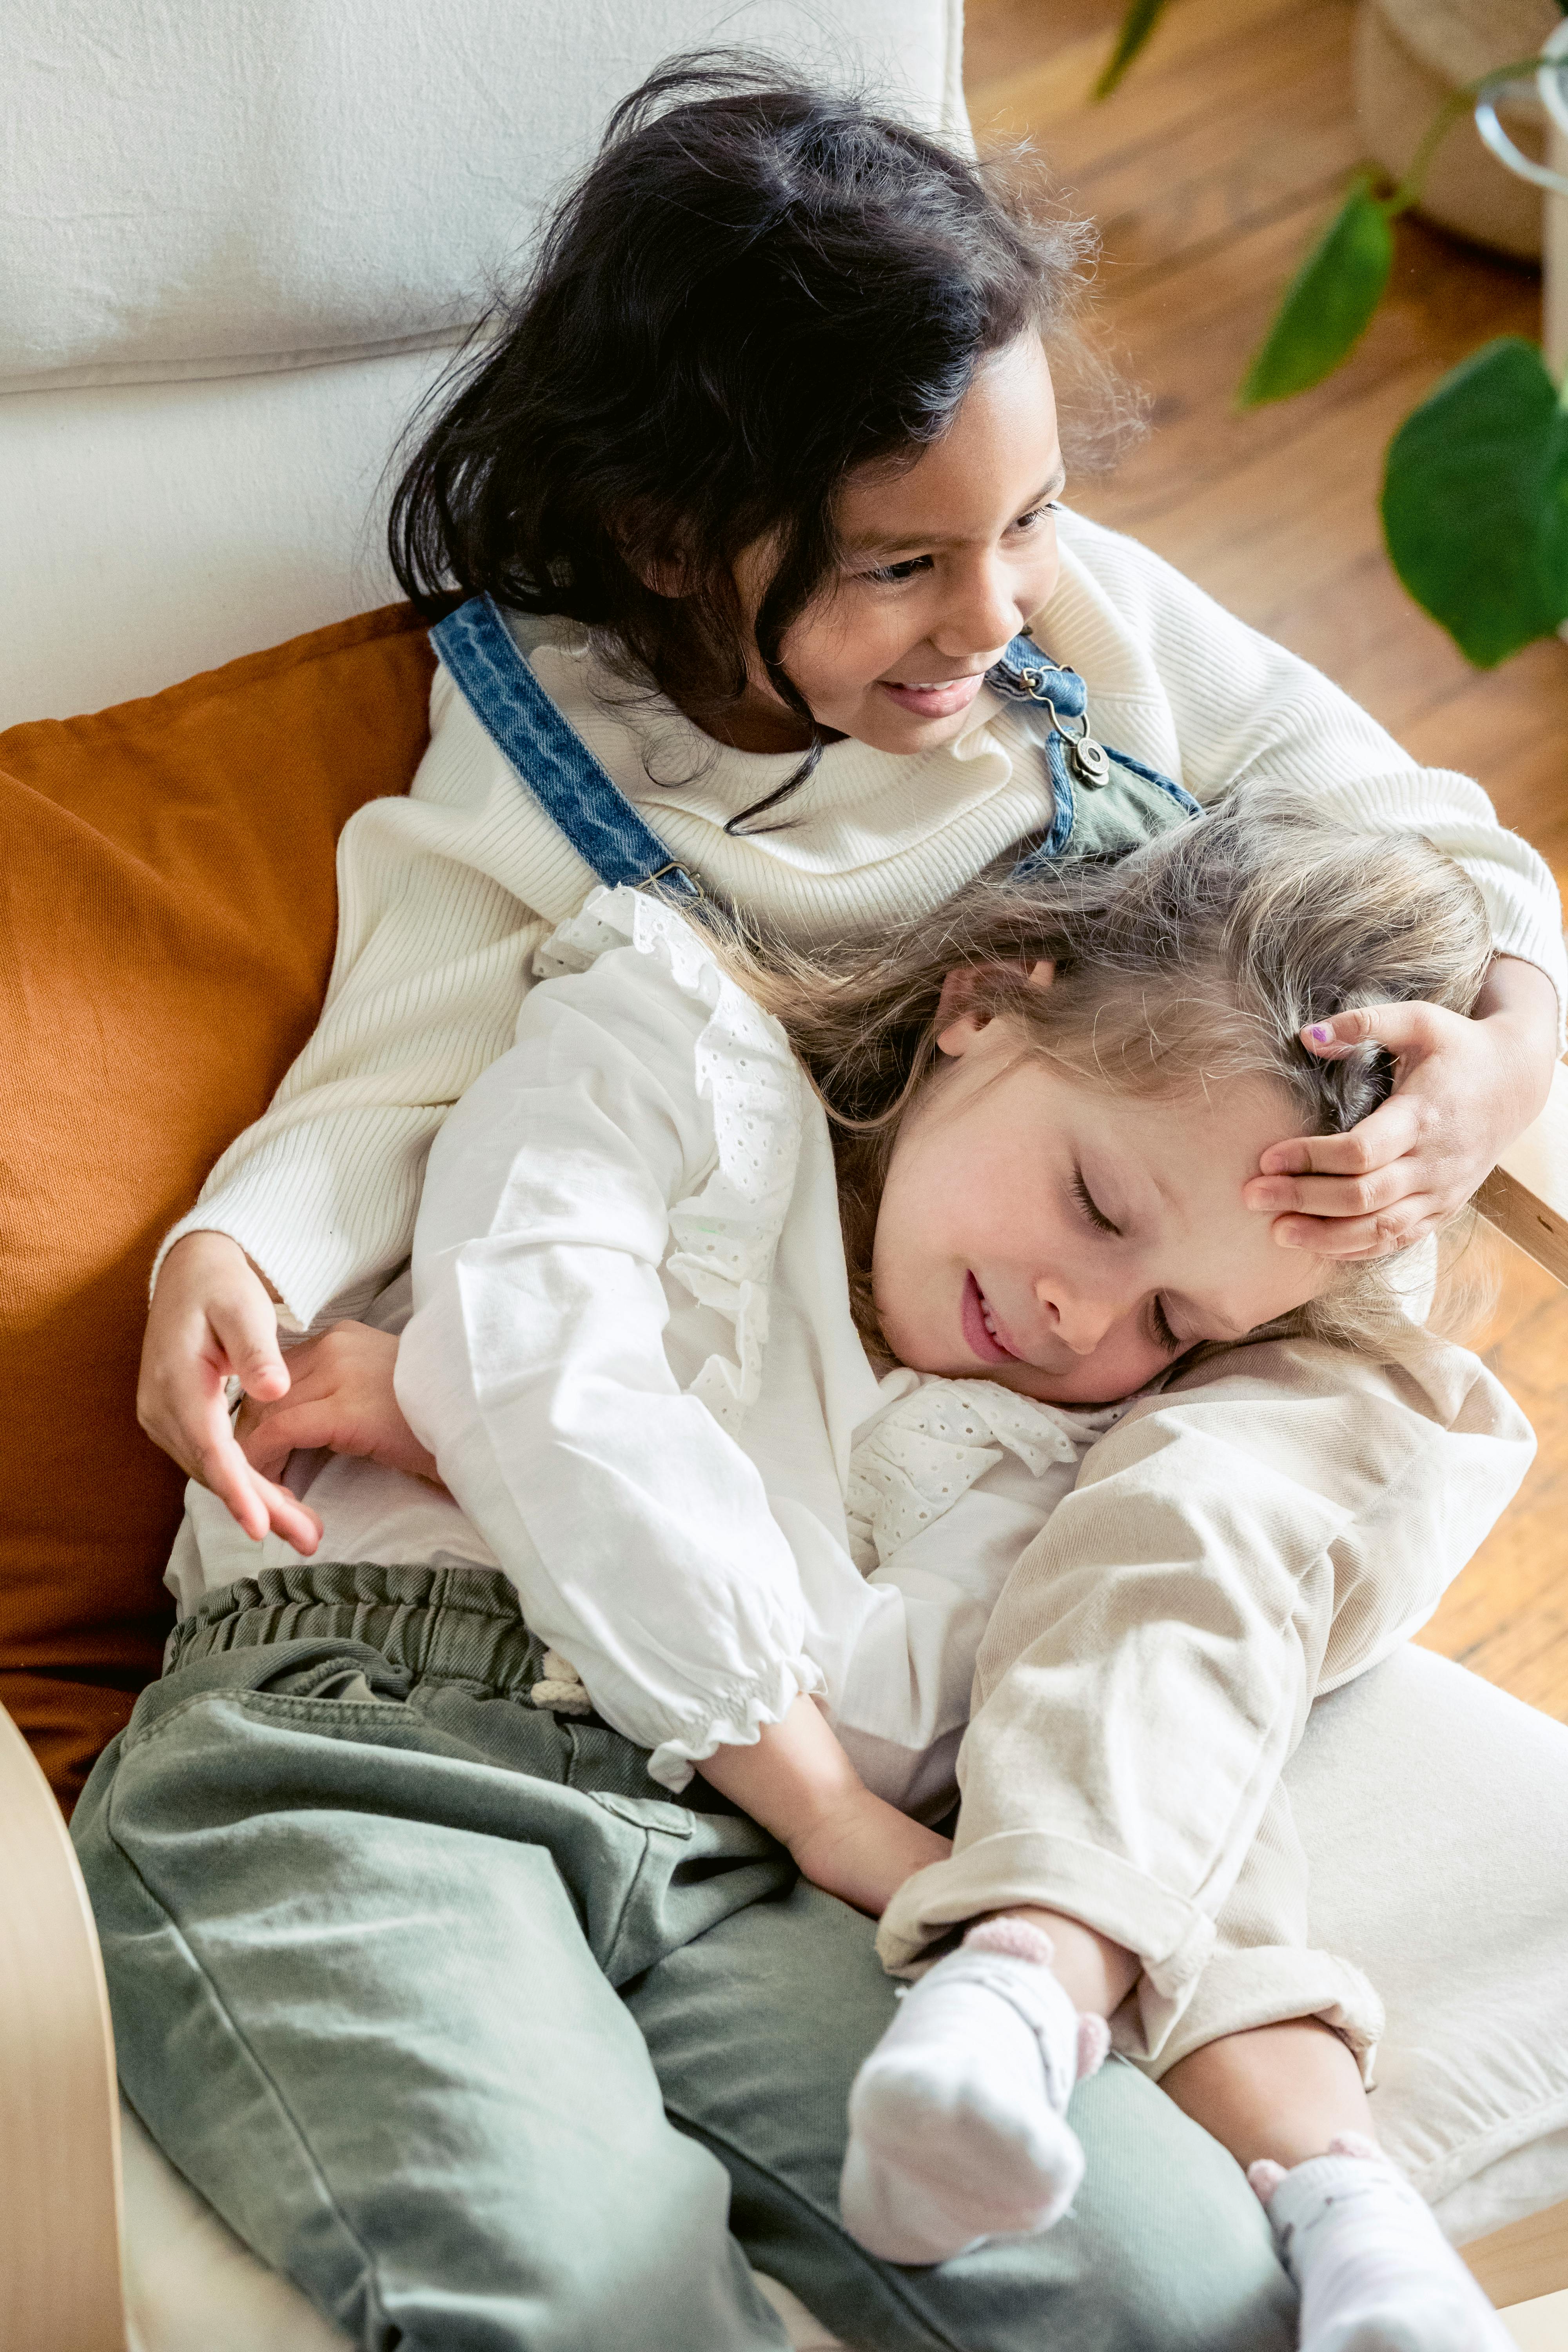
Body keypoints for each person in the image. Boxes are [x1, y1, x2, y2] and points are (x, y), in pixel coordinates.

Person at [118, 52, 1561, 2348]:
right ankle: (1103, 2004)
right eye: (902, 563)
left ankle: (1256, 2129)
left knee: (1197, 1609)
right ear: (692, 536)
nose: (991, 613)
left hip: (926, 1547)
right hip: (566, 1639)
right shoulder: (593, 826)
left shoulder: (1084, 635)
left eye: (1033, 520)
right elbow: (404, 1034)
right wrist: (243, 1254)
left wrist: (1500, 1050)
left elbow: (1433, 833)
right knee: (601, 2251)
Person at [79, 803, 1528, 2352]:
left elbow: (895, 1699)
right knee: (585, 2303)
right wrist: (824, 1798)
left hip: (754, 1877)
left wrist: (469, 1441)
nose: (1076, 1315)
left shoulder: (1082, 1434)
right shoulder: (666, 1038)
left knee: (1188, 2299)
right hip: (362, 1743)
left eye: (1172, 1321)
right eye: (1097, 1206)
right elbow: (545, 1377)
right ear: (982, 1004)